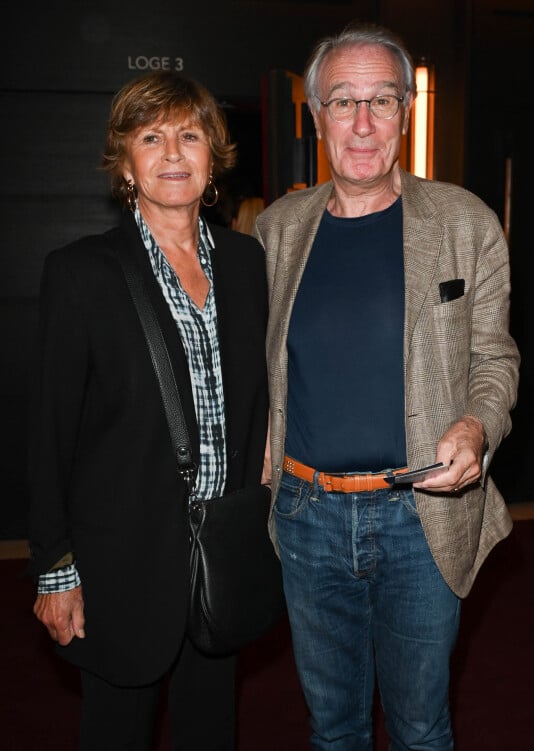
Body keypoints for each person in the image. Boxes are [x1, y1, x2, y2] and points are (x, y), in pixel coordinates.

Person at [254, 21, 519, 751]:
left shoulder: (467, 222)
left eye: (382, 100)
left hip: (419, 520)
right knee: (332, 728)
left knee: (421, 726)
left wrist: (476, 426)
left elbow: (496, 360)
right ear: (317, 116)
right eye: (344, 101)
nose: (363, 122)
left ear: (407, 110)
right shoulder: (275, 231)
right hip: (306, 516)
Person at [27, 70, 269, 751]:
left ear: (213, 155)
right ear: (125, 161)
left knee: (211, 733)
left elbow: (262, 403)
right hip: (120, 565)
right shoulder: (82, 273)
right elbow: (49, 433)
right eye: (151, 136)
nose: (172, 152)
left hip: (222, 558)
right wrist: (55, 567)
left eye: (189, 135)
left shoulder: (249, 265)